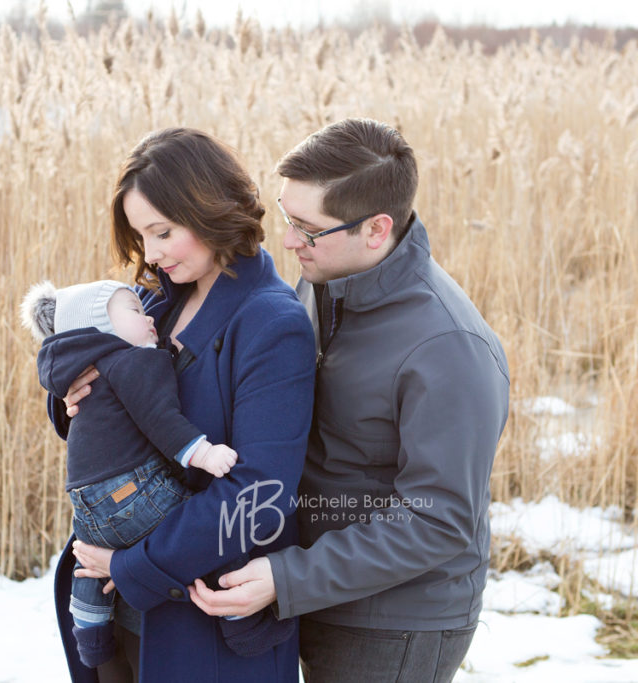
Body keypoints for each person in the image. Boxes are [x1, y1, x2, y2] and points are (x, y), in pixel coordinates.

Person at [186, 117, 511, 683]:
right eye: (288, 218)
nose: (289, 242)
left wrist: (290, 578)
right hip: (312, 589)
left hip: (396, 622)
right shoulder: (323, 280)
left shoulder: (448, 348)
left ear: (376, 229)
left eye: (308, 229)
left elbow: (439, 520)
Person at [51, 127, 316, 682]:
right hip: (120, 614)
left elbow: (259, 493)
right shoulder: (154, 302)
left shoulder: (272, 321)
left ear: (209, 209)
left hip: (204, 628)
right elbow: (112, 397)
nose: (150, 254)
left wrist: (133, 565)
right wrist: (71, 399)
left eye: (163, 232)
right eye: (141, 236)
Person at [20, 279, 293, 667]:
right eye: (134, 311)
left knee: (91, 566)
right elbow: (161, 419)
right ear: (102, 328)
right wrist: (203, 453)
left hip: (86, 506)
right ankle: (243, 622)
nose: (146, 315)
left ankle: (92, 635)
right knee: (210, 532)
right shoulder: (131, 358)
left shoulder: (86, 361)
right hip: (131, 494)